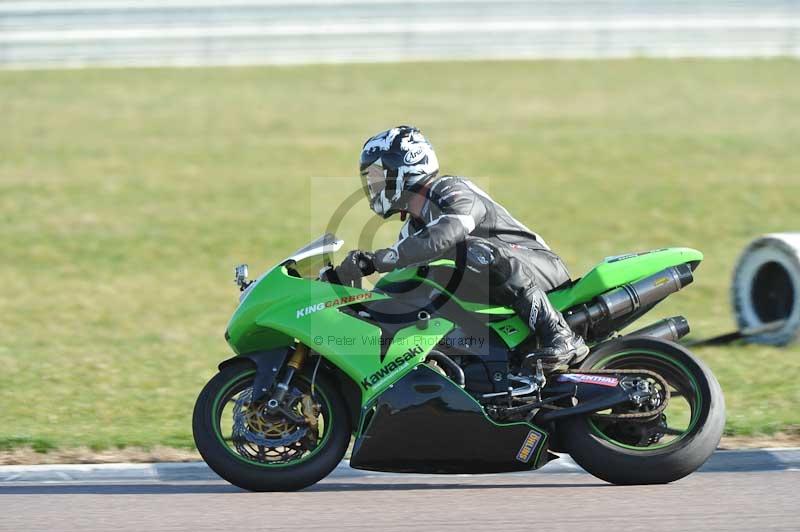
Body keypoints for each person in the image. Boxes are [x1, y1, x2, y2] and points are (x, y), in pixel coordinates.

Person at [337, 125, 588, 370]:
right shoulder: (412, 230)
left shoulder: (450, 189)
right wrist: (348, 300)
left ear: (401, 170)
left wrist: (375, 260)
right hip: (500, 286)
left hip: (540, 268)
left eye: (376, 176)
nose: (371, 186)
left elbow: (446, 235)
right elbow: (400, 283)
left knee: (468, 250)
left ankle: (558, 334)